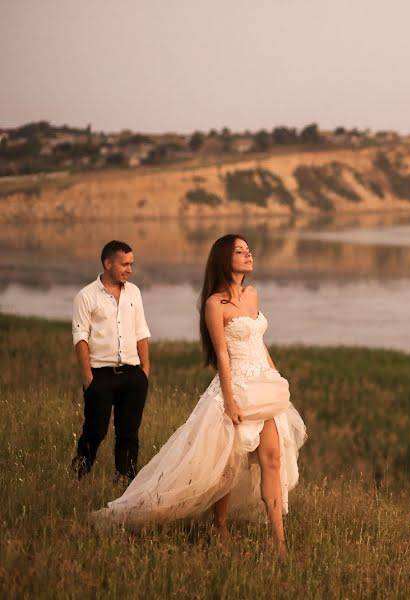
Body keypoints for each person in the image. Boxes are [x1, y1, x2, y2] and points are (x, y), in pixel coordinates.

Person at [93, 234, 307, 556]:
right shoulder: (214, 304)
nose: (248, 255)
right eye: (240, 251)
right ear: (225, 258)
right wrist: (231, 401)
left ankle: (280, 543)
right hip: (236, 389)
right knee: (225, 467)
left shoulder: (252, 295)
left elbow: (259, 342)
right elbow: (222, 354)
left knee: (272, 462)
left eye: (249, 250)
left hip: (264, 384)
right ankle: (217, 526)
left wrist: (276, 377)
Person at [72, 240, 151, 481]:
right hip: (100, 375)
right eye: (124, 264)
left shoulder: (134, 292)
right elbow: (80, 337)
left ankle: (126, 482)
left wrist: (144, 372)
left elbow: (141, 332)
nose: (129, 269)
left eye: (131, 264)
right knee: (95, 431)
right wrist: (88, 377)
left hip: (132, 374)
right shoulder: (86, 296)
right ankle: (78, 476)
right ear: (108, 264)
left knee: (128, 434)